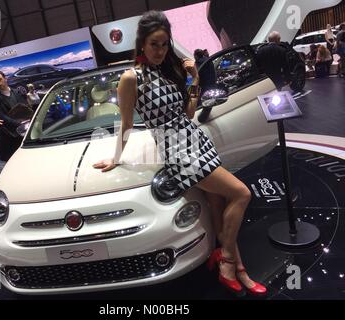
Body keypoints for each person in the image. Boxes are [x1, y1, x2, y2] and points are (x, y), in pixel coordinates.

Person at [93, 10, 266, 296]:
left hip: (196, 139)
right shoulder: (130, 78)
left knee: (217, 206)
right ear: (142, 44)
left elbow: (186, 113)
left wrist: (194, 78)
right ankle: (229, 262)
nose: (160, 51)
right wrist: (116, 158)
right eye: (154, 44)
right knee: (241, 193)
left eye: (164, 44)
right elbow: (125, 123)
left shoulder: (166, 70)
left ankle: (234, 265)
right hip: (177, 151)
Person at [0, 71, 27, 162]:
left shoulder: (17, 92)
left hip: (25, 130)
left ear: (5, 78)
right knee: (14, 162)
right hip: (9, 134)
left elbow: (25, 107)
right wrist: (18, 123)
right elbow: (0, 116)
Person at [194, 48, 217, 123]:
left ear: (196, 56)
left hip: (204, 88)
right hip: (212, 85)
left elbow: (196, 78)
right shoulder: (208, 60)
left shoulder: (198, 64)